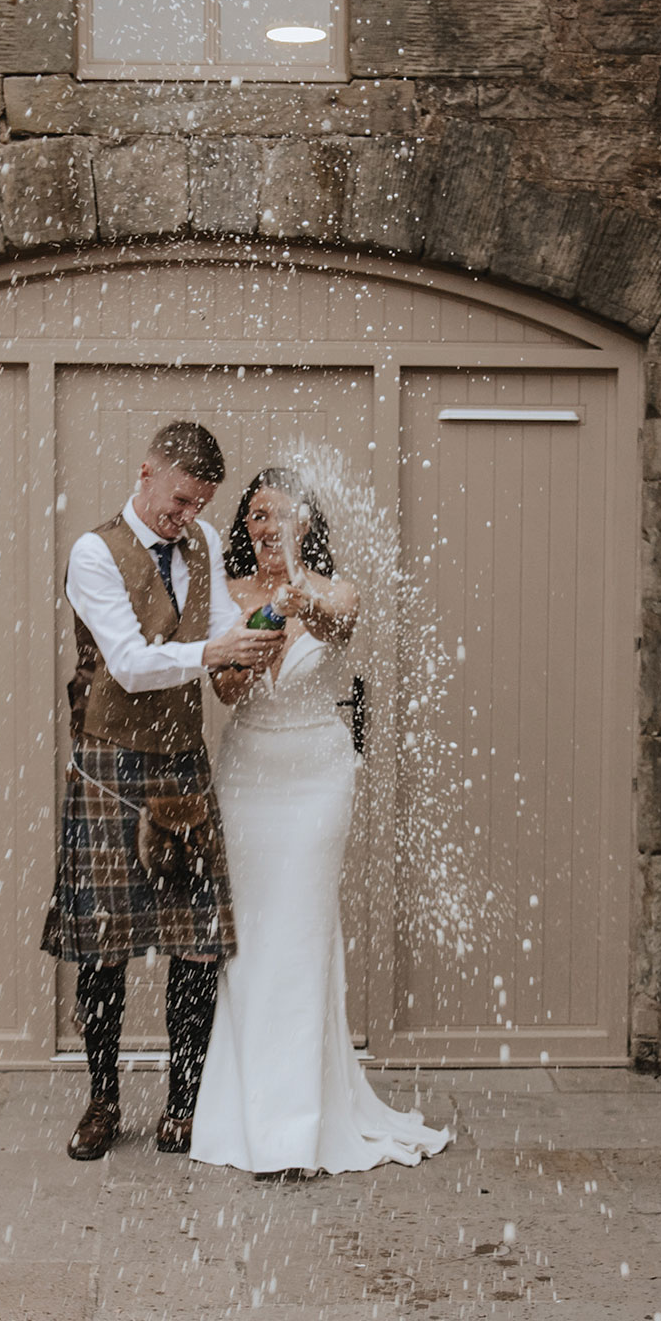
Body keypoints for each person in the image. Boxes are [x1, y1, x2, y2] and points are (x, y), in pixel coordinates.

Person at [190, 467, 451, 1175]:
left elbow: (339, 625)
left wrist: (296, 588)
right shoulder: (231, 596)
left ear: (306, 523)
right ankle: (247, 1114)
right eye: (253, 517)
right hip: (247, 778)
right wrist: (247, 649)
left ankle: (299, 1130)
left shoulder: (334, 591)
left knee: (301, 936)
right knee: (250, 943)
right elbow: (225, 689)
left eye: (277, 515)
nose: (262, 527)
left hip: (314, 779)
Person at [41, 421, 287, 1161]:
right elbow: (129, 662)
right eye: (180, 500)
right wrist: (215, 650)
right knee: (104, 947)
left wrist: (248, 648)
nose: (188, 517)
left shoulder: (204, 543)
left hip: (181, 762)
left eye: (200, 504)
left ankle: (183, 1104)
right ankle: (102, 1101)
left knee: (196, 945)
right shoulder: (94, 551)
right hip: (111, 764)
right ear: (146, 472)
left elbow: (213, 640)